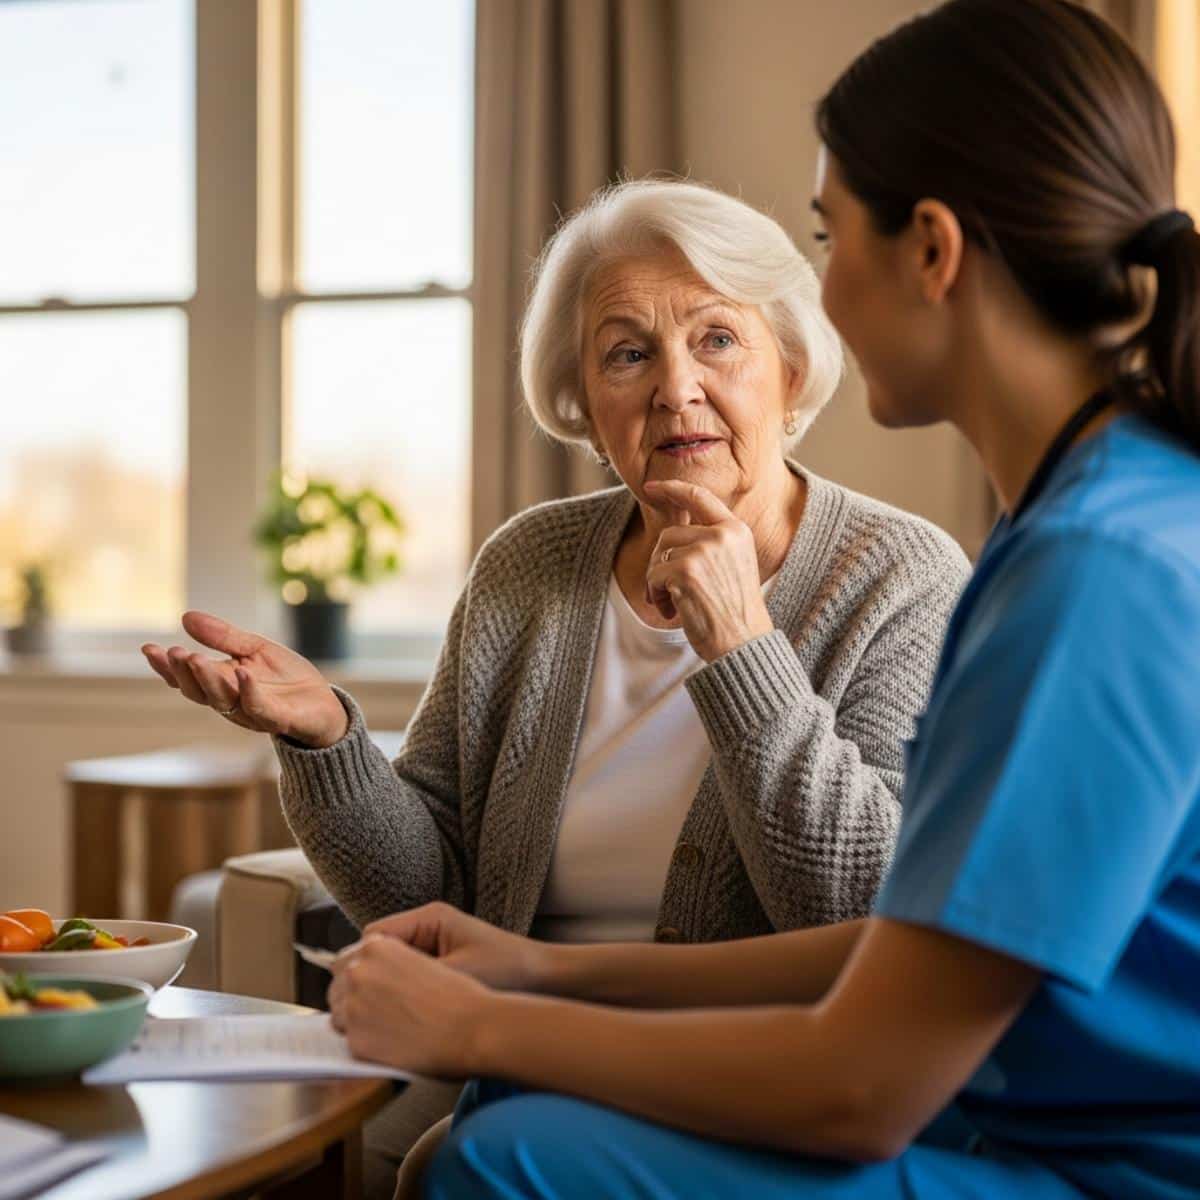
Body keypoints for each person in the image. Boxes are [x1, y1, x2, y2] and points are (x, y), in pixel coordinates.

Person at [320, 2, 1200, 1197]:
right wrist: (528, 972)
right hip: (1011, 1121)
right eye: (627, 352)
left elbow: (864, 1082)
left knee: (498, 1159)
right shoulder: (1098, 519)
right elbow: (908, 954)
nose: (823, 290)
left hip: (1081, 1165)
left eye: (829, 239)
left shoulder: (1094, 569)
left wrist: (481, 1028)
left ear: (931, 252)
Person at [141, 179, 968, 1188]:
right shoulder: (528, 566)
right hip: (525, 1053)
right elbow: (427, 900)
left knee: (454, 1166)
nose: (675, 388)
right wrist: (328, 742)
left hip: (756, 1073)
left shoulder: (900, 577)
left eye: (717, 340)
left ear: (789, 369)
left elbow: (861, 913)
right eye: (629, 352)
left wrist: (742, 645)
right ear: (583, 403)